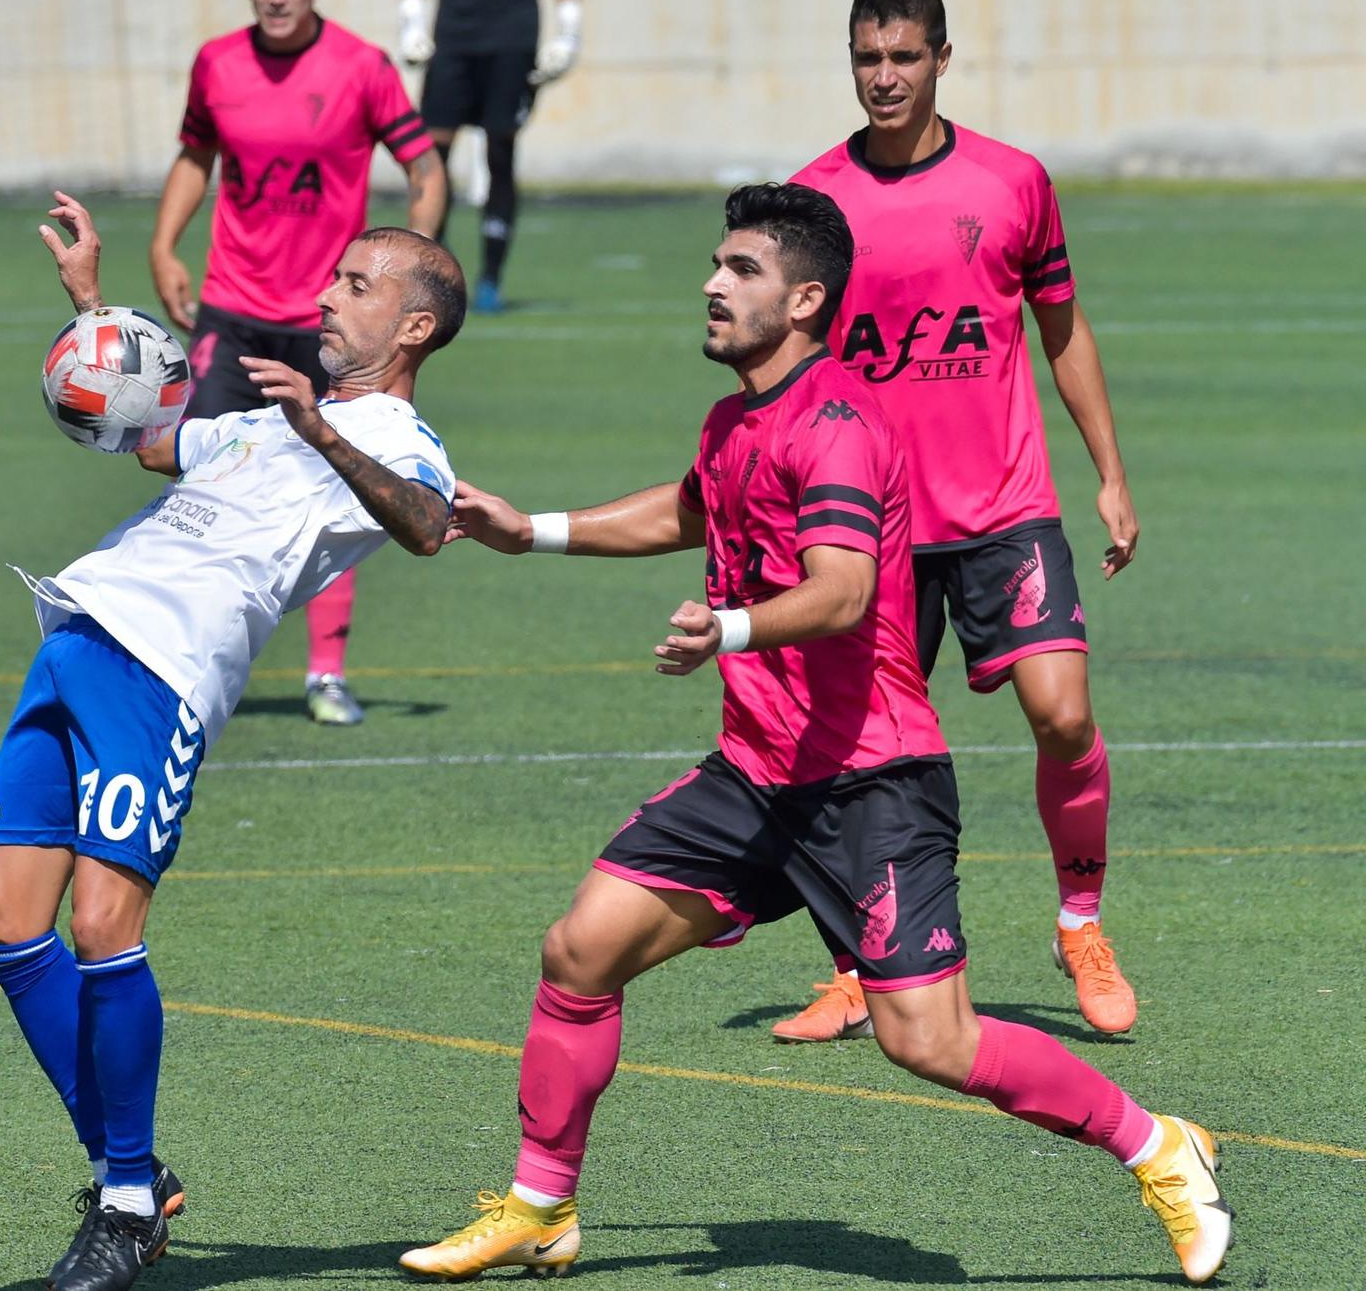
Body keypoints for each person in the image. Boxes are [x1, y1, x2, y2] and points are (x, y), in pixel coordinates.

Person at [399, 184, 1230, 1286]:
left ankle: (1155, 1143)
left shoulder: (835, 426)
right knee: (578, 949)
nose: (709, 282)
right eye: (713, 263)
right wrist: (533, 530)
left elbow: (840, 591)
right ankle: (540, 1205)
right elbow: (693, 510)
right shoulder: (738, 415)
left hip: (869, 778)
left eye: (736, 270)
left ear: (802, 300)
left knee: (926, 1040)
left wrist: (727, 626)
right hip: (755, 774)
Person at [0, 192, 463, 1291]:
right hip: (78, 631)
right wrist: (95, 308)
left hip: (162, 669)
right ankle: (134, 1173)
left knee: (102, 925)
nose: (326, 298)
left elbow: (429, 526)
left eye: (356, 285)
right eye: (332, 280)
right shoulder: (259, 418)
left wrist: (318, 427)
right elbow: (148, 440)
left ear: (415, 327)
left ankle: (127, 1199)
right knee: (3, 920)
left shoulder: (395, 438)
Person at [772, 0, 1143, 1043]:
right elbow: (787, 367)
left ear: (940, 57)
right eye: (864, 58)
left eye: (901, 57)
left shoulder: (1012, 181)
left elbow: (1062, 329)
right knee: (845, 747)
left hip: (1003, 508)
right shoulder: (813, 201)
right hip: (870, 527)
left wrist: (1108, 473)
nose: (882, 77)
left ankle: (1078, 922)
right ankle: (850, 966)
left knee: (1061, 711)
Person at [151, 0, 448, 726]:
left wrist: (410, 267)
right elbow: (195, 155)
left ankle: (325, 674)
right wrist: (163, 245)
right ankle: (185, 651)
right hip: (231, 308)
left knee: (338, 481)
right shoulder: (217, 62)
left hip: (329, 322)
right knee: (196, 467)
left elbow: (424, 163)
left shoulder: (363, 67)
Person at [397, 0, 581, 313]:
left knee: (500, 150)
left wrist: (570, 32)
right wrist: (411, 21)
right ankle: (435, 268)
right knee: (432, 153)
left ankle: (490, 279)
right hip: (453, 34)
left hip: (513, 36)